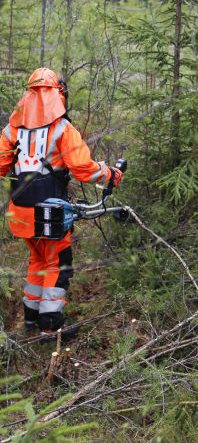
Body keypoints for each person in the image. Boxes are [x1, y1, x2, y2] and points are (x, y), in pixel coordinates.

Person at [0, 68, 123, 337]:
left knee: (38, 259)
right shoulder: (62, 128)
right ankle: (50, 329)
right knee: (57, 263)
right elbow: (84, 169)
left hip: (20, 211)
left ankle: (31, 320)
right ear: (58, 94)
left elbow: (0, 165)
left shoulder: (12, 129)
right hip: (49, 212)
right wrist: (110, 173)